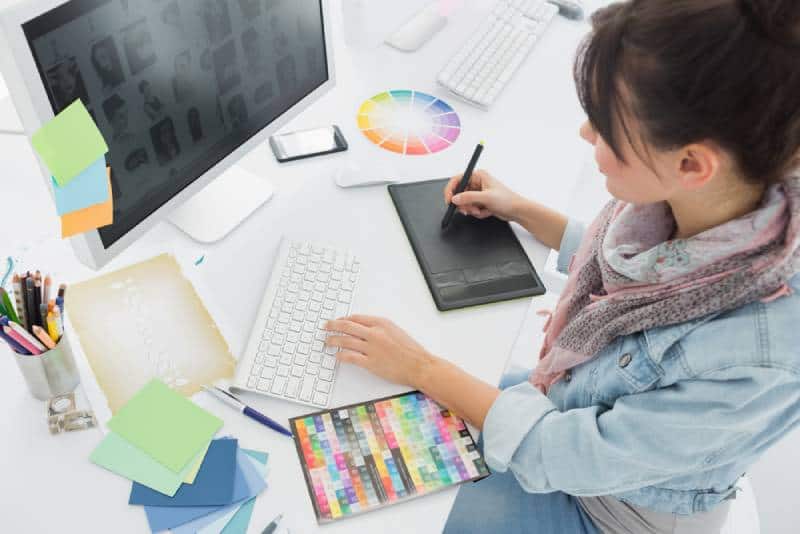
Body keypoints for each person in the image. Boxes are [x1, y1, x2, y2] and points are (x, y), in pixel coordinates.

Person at [322, 1, 800, 533]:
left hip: (609, 506)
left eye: (604, 126)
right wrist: (522, 210)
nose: (584, 135)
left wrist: (423, 368)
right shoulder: (723, 196)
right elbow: (639, 273)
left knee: (371, 509)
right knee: (370, 415)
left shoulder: (761, 353)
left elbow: (563, 453)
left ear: (691, 164)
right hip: (563, 405)